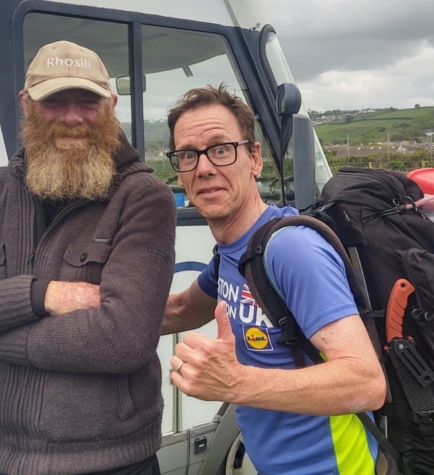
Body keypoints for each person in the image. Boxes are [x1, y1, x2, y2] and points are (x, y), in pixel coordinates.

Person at [0, 40, 176, 475]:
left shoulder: (142, 197)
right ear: (25, 103)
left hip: (115, 462)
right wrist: (41, 296)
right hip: (3, 460)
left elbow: (124, 337)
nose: (71, 117)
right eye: (53, 101)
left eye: (87, 101)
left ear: (111, 106)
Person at [161, 85, 386, 474]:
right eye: (187, 155)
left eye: (220, 148)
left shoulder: (290, 249)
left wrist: (233, 383)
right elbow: (181, 309)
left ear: (254, 158)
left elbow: (365, 383)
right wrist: (77, 311)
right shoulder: (233, 253)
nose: (204, 168)